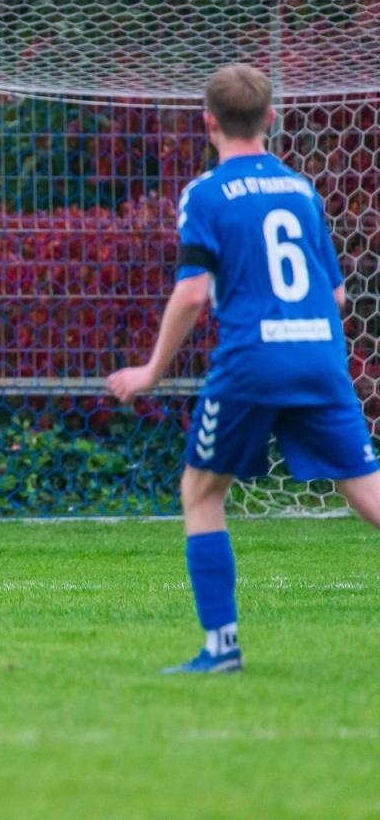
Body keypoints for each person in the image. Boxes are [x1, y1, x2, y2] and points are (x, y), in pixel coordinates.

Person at [107, 62, 380, 673]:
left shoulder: (205, 194)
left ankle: (221, 647)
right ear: (272, 119)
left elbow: (193, 292)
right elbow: (336, 297)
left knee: (202, 492)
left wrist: (150, 371)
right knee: (368, 492)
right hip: (318, 353)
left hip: (253, 359)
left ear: (208, 122)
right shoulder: (301, 189)